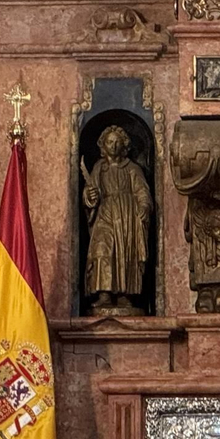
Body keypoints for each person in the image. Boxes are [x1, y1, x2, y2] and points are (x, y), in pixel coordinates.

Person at [82, 126, 153, 314]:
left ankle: (125, 295)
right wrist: (90, 197)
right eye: (109, 142)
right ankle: (103, 293)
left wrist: (144, 207)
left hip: (126, 216)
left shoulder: (132, 169)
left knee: (125, 253)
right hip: (104, 213)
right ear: (103, 145)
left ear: (124, 145)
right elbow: (90, 192)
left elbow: (142, 191)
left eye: (117, 142)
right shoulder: (99, 168)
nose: (113, 146)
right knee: (102, 250)